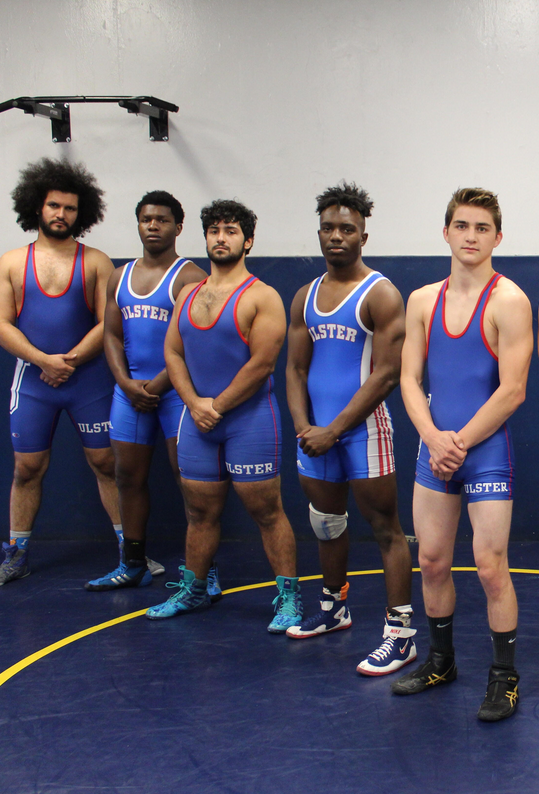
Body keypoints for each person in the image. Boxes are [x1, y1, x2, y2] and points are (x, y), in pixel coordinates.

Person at [391, 188, 532, 722]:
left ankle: (504, 677)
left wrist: (458, 441)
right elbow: (408, 377)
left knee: (491, 567)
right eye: (462, 226)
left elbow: (513, 389)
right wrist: (431, 436)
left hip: (483, 449)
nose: (471, 236)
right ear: (446, 232)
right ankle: (441, 660)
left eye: (482, 227)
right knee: (430, 561)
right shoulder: (423, 300)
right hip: (436, 447)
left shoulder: (510, 301)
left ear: (498, 236)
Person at [145, 200, 304, 632]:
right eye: (214, 230)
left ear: (247, 240)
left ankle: (289, 597)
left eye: (231, 230)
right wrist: (195, 404)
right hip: (197, 419)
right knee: (198, 511)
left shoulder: (262, 296)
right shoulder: (188, 294)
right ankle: (195, 589)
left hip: (248, 419)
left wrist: (215, 406)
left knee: (266, 510)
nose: (221, 237)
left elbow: (262, 363)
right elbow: (173, 352)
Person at [284, 181, 417, 675]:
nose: (336, 236)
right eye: (328, 228)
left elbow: (385, 374)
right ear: (318, 233)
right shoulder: (304, 295)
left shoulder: (380, 294)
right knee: (325, 522)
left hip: (362, 433)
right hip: (316, 432)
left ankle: (400, 636)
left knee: (386, 530)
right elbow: (295, 370)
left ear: (363, 235)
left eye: (347, 229)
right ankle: (334, 609)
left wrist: (333, 430)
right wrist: (304, 427)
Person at [0, 159, 123, 588]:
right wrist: (44, 361)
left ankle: (129, 551)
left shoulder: (96, 262)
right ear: (37, 207)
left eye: (70, 209)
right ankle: (16, 555)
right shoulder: (11, 263)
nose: (61, 214)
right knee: (27, 468)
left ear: (83, 213)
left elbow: (108, 322)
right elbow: (0, 325)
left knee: (106, 464)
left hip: (88, 380)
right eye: (54, 206)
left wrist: (70, 360)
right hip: (35, 384)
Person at [87, 191, 208, 591]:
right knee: (127, 477)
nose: (153, 226)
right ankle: (133, 563)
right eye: (146, 219)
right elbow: (111, 334)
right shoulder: (119, 277)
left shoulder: (190, 277)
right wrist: (125, 383)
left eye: (161, 219)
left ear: (178, 227)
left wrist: (155, 385)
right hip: (130, 391)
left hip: (174, 392)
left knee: (188, 479)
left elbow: (193, 343)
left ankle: (203, 572)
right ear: (138, 224)